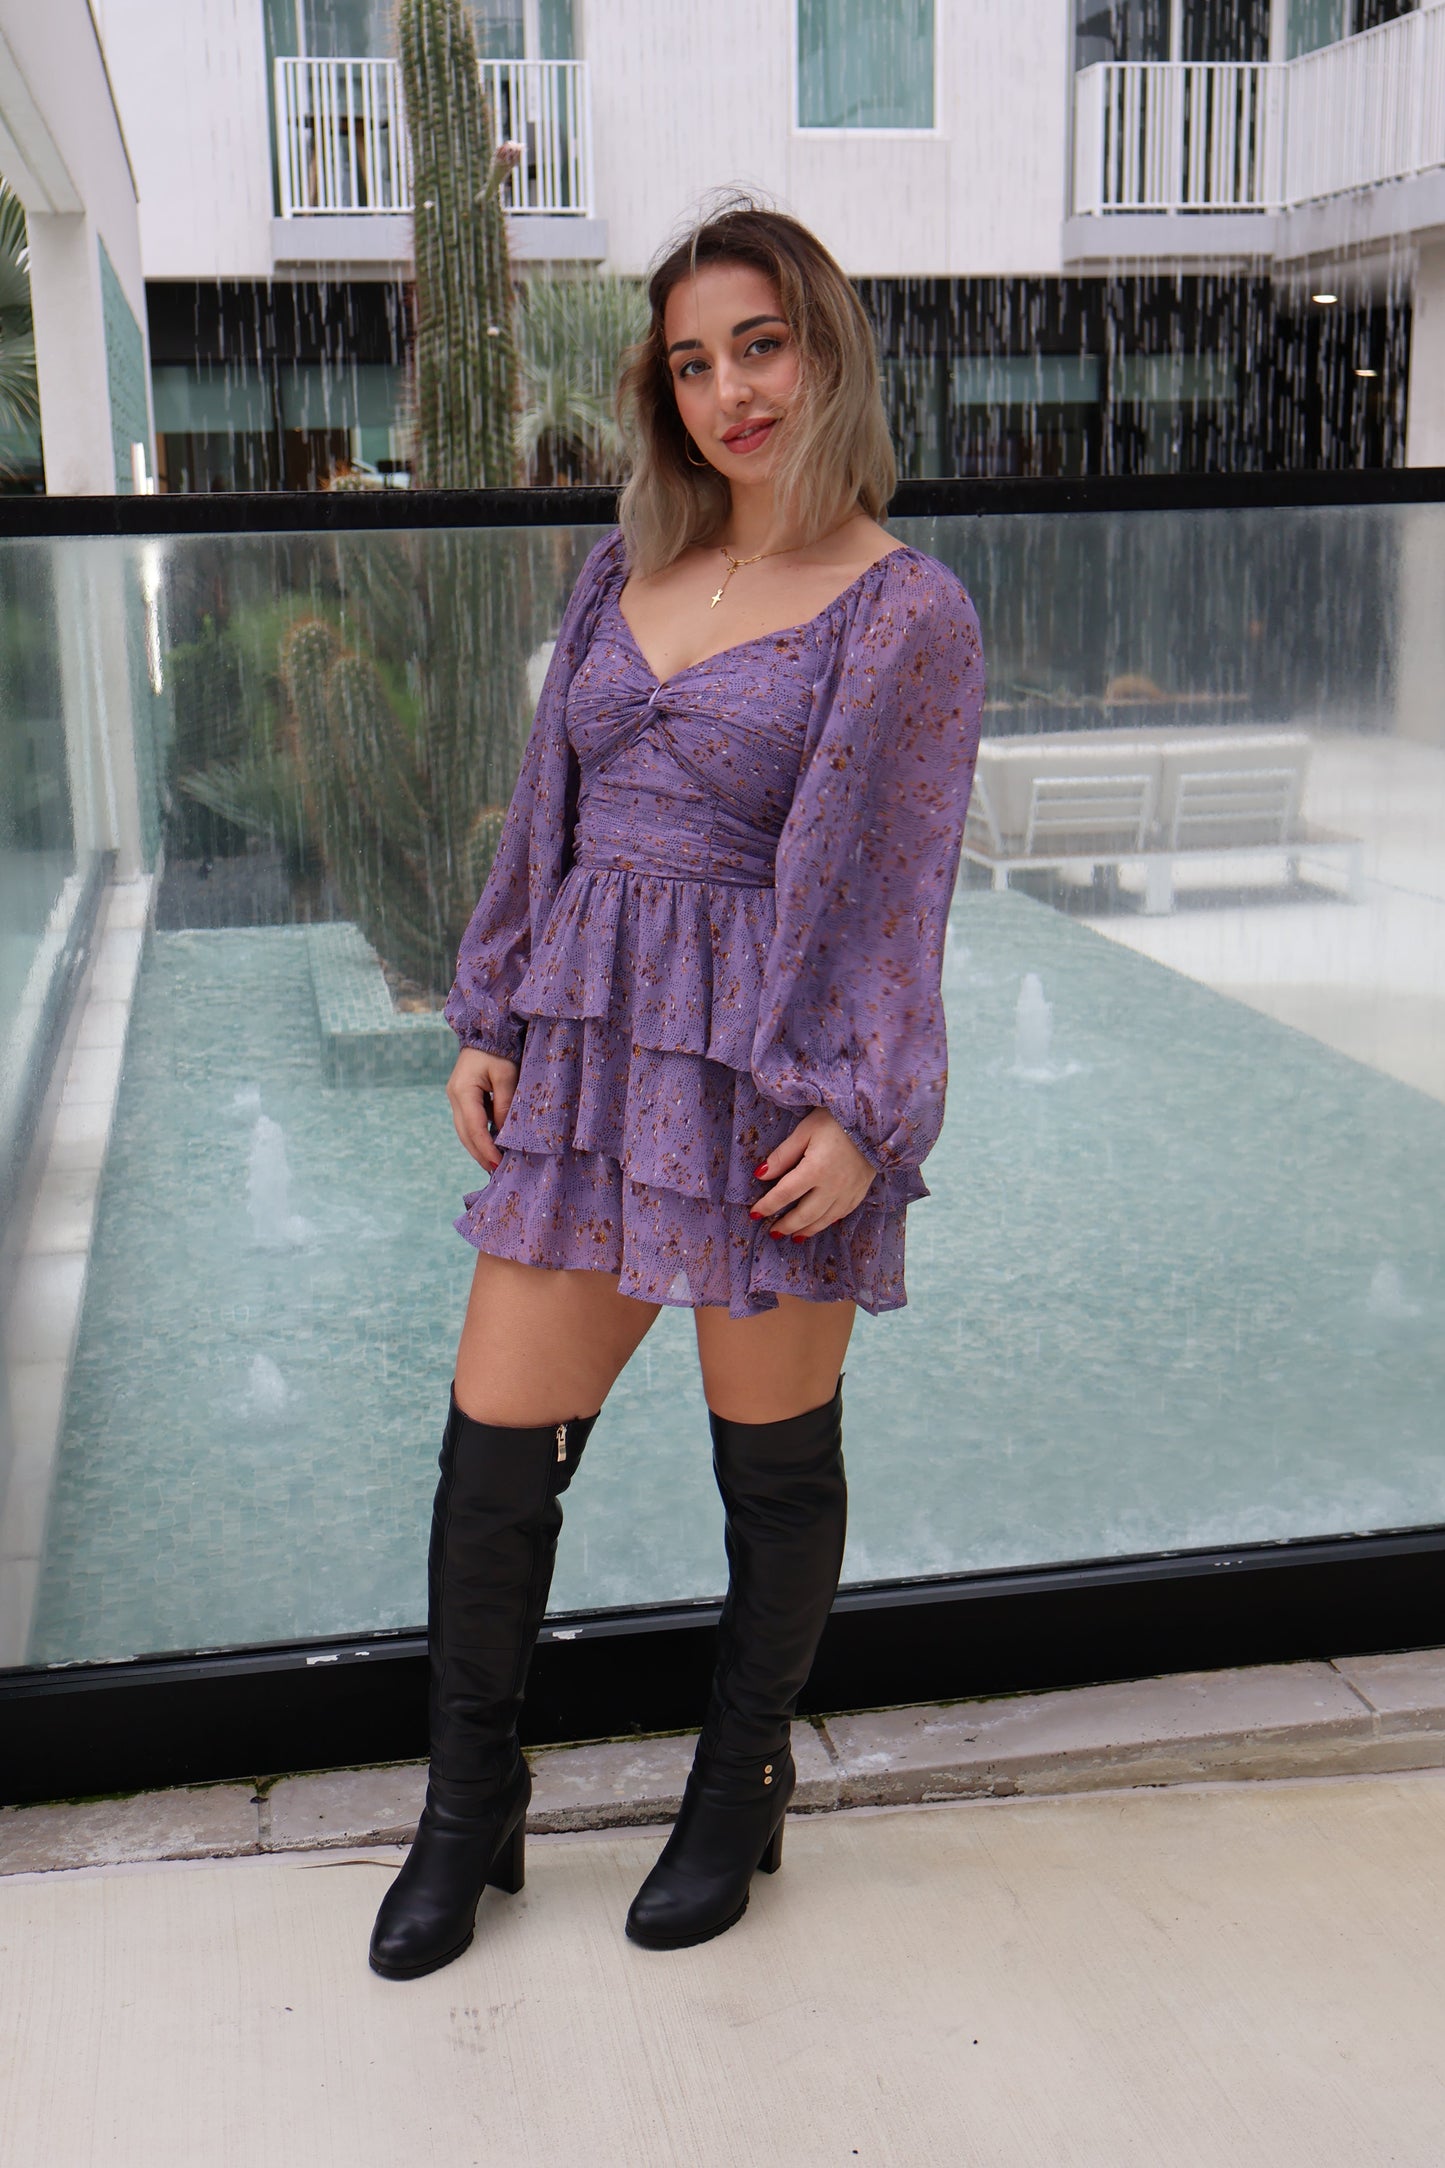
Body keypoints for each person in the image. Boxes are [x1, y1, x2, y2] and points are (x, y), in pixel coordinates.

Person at [369, 199, 985, 1981]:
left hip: (762, 1076)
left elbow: (900, 883)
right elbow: (542, 817)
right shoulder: (617, 562)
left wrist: (865, 1108)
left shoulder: (903, 611)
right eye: (693, 360)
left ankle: (739, 1784)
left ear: (826, 350)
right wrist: (493, 1012)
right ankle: (466, 1808)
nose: (727, 389)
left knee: (770, 1465)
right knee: (494, 1456)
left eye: (760, 346)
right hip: (583, 1054)